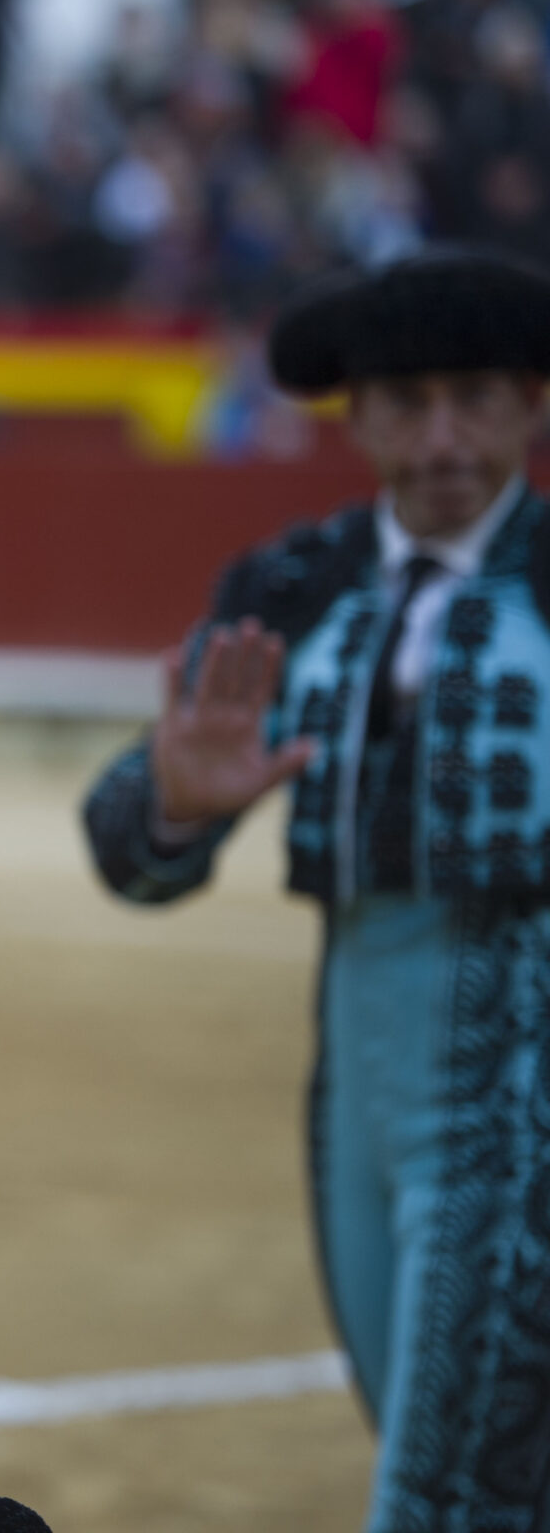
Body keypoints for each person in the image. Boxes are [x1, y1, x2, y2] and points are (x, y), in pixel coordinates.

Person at [82, 248, 550, 1528]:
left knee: (447, 1484)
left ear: (531, 404)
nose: (443, 437)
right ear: (357, 415)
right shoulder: (294, 588)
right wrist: (175, 802)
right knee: (431, 1424)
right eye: (406, 403)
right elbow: (121, 846)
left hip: (526, 1069)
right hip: (354, 1060)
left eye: (475, 397)